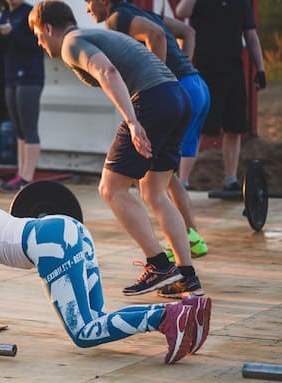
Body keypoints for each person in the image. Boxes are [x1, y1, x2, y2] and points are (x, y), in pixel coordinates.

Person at [0, 185, 211, 364]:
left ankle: (165, 318)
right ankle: (187, 312)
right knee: (96, 319)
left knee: (84, 334)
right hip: (68, 231)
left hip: (50, 244)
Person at [27, 1, 203, 298]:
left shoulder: (72, 42)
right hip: (176, 96)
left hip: (154, 100)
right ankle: (186, 276)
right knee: (154, 191)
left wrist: (133, 122)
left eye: (38, 35)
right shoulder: (94, 36)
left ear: (47, 27)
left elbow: (107, 71)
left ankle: (159, 264)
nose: (39, 42)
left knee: (111, 188)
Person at [84, 0, 209, 260]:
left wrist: (160, 78)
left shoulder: (116, 19)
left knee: (153, 182)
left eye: (88, 0)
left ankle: (184, 243)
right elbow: (188, 33)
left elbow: (156, 35)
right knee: (164, 174)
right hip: (195, 85)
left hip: (178, 89)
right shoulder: (143, 12)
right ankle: (191, 238)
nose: (87, 8)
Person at [176, 0, 266, 192]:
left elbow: (250, 36)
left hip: (233, 71)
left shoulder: (241, 3)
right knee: (198, 126)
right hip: (205, 70)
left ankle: (230, 180)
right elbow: (181, 11)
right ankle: (182, 181)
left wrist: (261, 68)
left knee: (234, 127)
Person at [0, 0, 45, 192]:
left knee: (28, 127)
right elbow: (4, 50)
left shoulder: (29, 13)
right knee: (18, 128)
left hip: (29, 75)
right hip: (11, 74)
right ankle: (21, 173)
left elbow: (37, 43)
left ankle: (27, 177)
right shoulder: (4, 13)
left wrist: (13, 34)